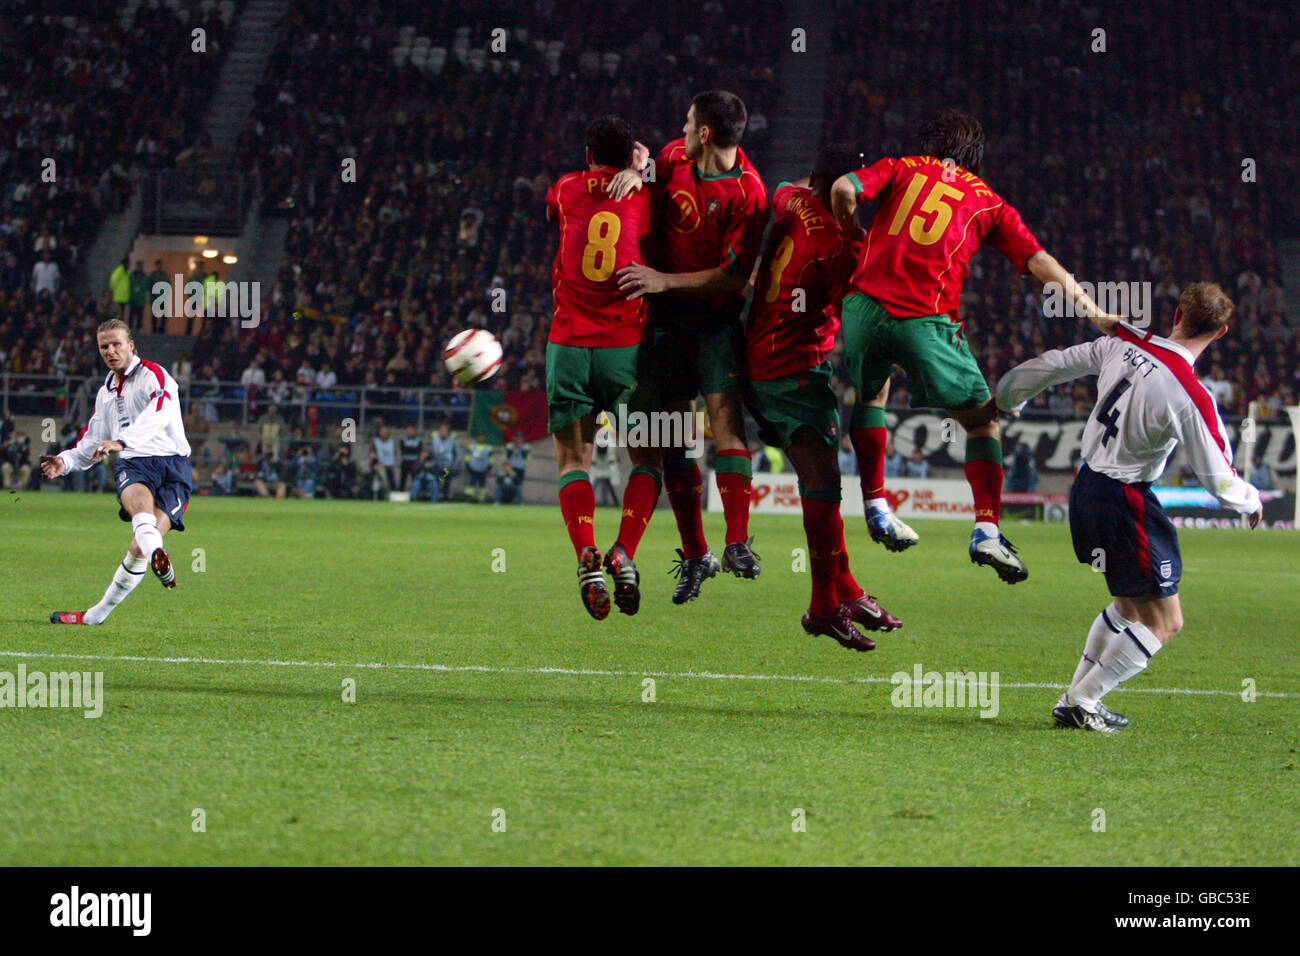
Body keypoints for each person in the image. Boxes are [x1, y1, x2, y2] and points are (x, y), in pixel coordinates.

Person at [830, 108, 1119, 582]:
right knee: (983, 422)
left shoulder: (903, 166)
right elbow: (1039, 261)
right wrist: (1092, 309)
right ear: (974, 159)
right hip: (924, 317)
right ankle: (986, 530)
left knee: (871, 396)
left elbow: (843, 188)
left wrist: (851, 232)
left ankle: (876, 505)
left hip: (862, 310)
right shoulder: (988, 201)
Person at [995, 283, 1262, 732]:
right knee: (1166, 621)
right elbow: (1218, 478)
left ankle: (1074, 701)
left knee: (1127, 607)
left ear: (1176, 314)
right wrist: (1250, 500)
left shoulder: (1123, 341)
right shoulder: (1191, 394)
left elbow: (1054, 363)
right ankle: (1083, 699)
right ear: (1221, 333)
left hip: (1086, 489)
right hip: (1126, 500)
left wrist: (1008, 398)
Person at [610, 90, 770, 600]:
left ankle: (738, 542)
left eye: (686, 123)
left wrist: (664, 281)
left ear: (704, 134)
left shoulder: (750, 193)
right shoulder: (672, 158)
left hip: (714, 320)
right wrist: (639, 175)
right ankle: (697, 554)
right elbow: (650, 182)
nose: (678, 131)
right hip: (665, 322)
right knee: (675, 436)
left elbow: (733, 278)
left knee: (725, 420)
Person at [744, 145, 903, 650]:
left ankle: (847, 591)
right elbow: (861, 317)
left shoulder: (791, 197)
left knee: (823, 480)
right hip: (790, 368)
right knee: (822, 482)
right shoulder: (843, 248)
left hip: (765, 351)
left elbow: (791, 191)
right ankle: (823, 607)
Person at [544, 115, 660, 618]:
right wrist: (646, 169)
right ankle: (624, 552)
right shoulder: (644, 197)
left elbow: (556, 211)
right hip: (626, 349)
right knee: (647, 461)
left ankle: (586, 557)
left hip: (569, 345)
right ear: (631, 156)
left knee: (575, 462)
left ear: (589, 154)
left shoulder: (567, 188)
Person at [42, 319, 193, 624]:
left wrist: (123, 439)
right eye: (104, 346)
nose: (110, 351)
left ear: (131, 346)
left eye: (116, 344)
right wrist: (65, 461)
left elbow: (160, 411)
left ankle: (98, 613)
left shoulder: (155, 375)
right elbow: (93, 439)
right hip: (134, 463)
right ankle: (158, 560)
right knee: (141, 513)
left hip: (173, 465)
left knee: (141, 542)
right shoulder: (106, 392)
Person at [430, 421, 461, 501]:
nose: (443, 431)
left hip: (448, 467)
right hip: (437, 466)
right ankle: (435, 497)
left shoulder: (452, 440)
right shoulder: (434, 439)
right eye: (442, 429)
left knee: (446, 479)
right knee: (436, 479)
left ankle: (445, 497)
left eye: (445, 430)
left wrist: (454, 466)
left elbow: (457, 454)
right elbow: (430, 453)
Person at [465, 433, 491, 502]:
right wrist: (468, 466)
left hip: (483, 469)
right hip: (473, 468)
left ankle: (481, 499)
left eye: (482, 436)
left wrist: (489, 468)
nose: (481, 438)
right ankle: (469, 498)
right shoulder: (472, 446)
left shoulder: (488, 447)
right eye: (480, 436)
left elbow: (490, 459)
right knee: (471, 483)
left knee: (482, 484)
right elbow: (468, 457)